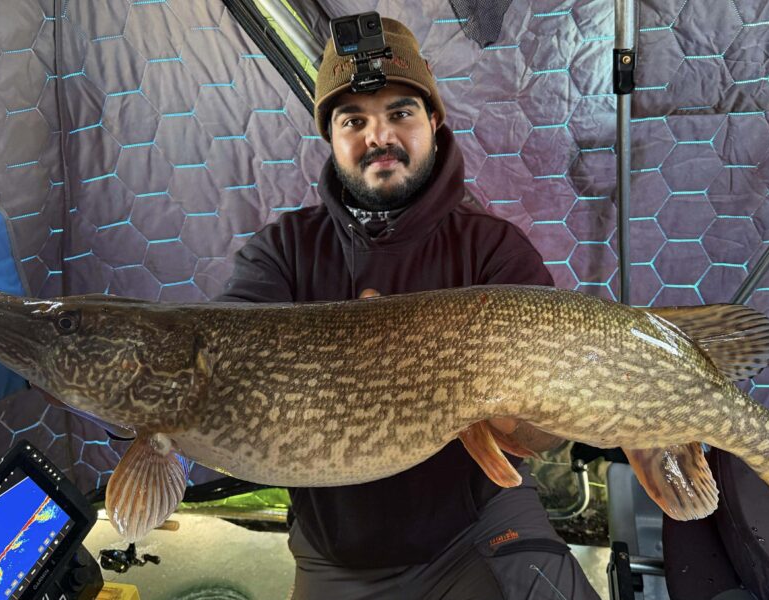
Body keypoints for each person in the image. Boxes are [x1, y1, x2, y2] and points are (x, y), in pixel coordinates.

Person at [217, 17, 603, 600]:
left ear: (433, 121)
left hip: (479, 525)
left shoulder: (494, 248)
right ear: (330, 137)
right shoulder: (281, 251)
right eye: (353, 120)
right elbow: (221, 361)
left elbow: (541, 435)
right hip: (335, 554)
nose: (379, 136)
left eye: (400, 112)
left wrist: (493, 398)